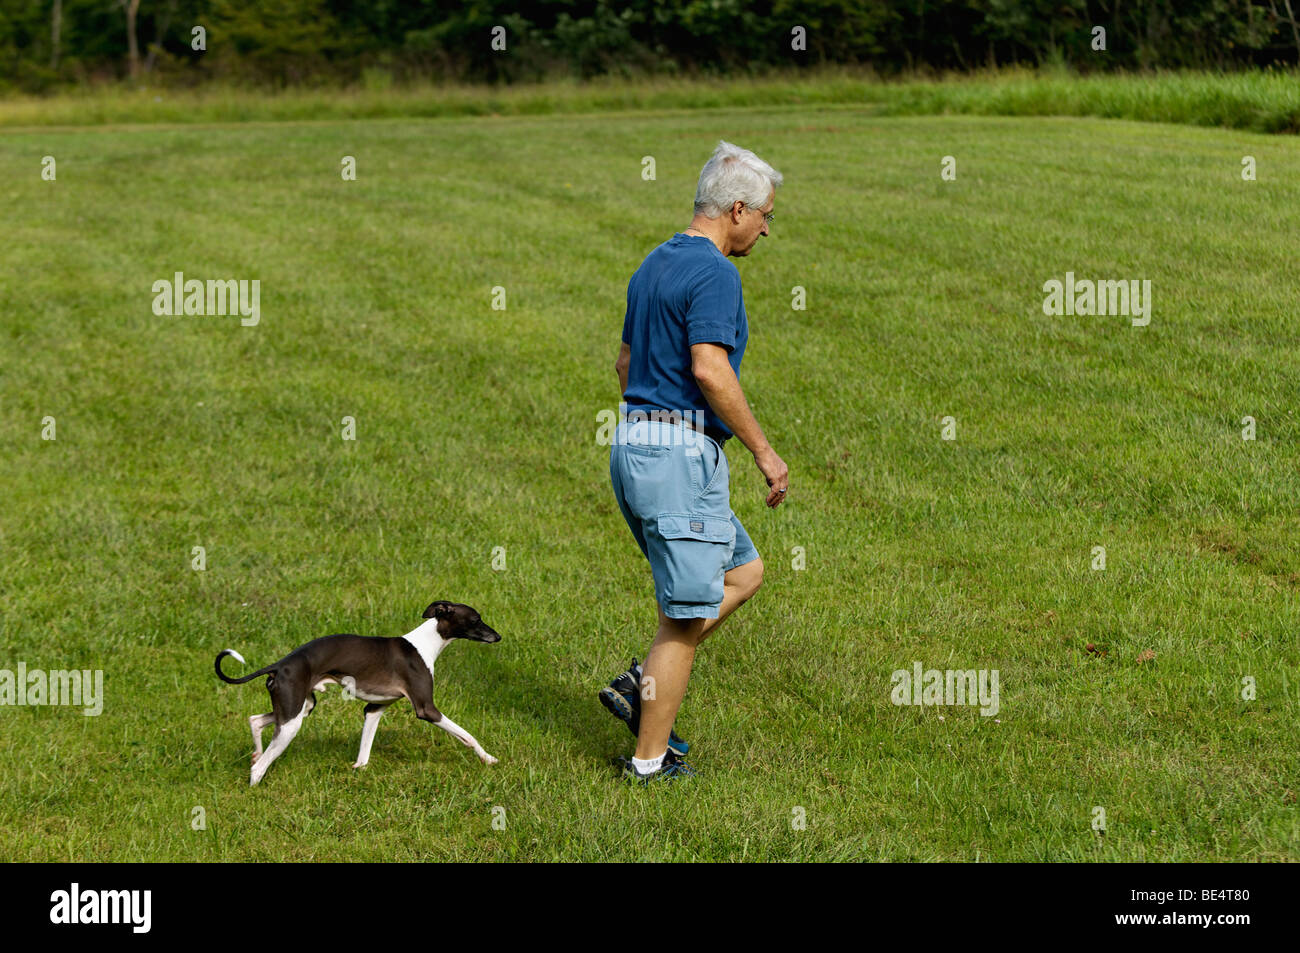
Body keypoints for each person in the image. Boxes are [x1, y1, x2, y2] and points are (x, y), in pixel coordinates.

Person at [601, 140, 790, 783]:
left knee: (744, 573)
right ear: (736, 208)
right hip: (678, 457)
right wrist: (765, 452)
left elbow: (625, 365)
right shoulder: (714, 273)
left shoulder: (652, 264)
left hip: (635, 445)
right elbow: (710, 369)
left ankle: (640, 682)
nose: (767, 227)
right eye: (765, 214)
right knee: (681, 622)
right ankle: (648, 766)